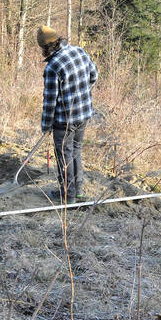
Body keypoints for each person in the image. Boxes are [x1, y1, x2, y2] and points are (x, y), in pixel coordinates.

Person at [37, 25, 97, 204]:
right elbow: (94, 75)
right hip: (84, 114)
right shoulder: (79, 51)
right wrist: (83, 94)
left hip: (64, 121)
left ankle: (68, 196)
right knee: (75, 150)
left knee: (64, 155)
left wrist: (46, 125)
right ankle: (77, 191)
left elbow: (49, 102)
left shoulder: (53, 67)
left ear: (46, 47)